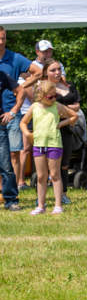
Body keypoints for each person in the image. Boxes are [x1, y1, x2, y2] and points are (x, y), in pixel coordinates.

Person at [20, 80, 77, 215]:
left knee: (55, 175)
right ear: (41, 96)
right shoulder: (34, 107)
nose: (53, 99)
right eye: (50, 97)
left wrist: (61, 124)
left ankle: (58, 205)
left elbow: (74, 115)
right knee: (41, 176)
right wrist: (27, 134)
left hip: (54, 145)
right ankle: (41, 206)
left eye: (55, 95)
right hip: (39, 145)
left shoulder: (57, 106)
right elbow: (23, 122)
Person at [0, 28, 42, 194]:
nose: (0, 42)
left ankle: (15, 187)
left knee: (14, 154)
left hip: (13, 113)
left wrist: (21, 86)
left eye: (3, 38)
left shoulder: (15, 58)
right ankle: (2, 190)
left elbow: (38, 72)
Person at [43, 59, 80, 205]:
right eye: (53, 70)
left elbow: (77, 106)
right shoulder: (42, 87)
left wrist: (62, 112)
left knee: (64, 163)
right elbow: (44, 108)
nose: (57, 72)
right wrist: (67, 112)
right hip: (49, 128)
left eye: (58, 69)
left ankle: (63, 194)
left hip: (67, 128)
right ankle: (42, 198)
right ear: (45, 73)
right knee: (45, 165)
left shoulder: (69, 85)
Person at [0, 68, 25, 211]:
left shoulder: (2, 74)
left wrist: (13, 111)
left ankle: (11, 200)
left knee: (6, 165)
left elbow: (21, 91)